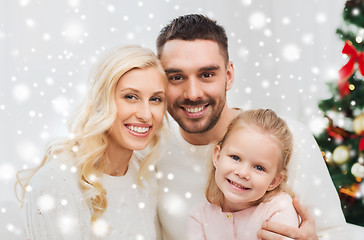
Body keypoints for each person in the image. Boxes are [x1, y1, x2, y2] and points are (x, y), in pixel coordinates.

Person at [155, 14, 347, 240]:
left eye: (207, 74)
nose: (194, 93)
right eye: (176, 77)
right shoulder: (151, 154)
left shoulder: (291, 139)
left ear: (228, 76)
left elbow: (338, 233)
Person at [15, 46, 168, 240]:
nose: (146, 114)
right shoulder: (56, 183)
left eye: (156, 99)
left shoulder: (145, 177)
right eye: (130, 97)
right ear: (101, 100)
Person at [188, 109, 299, 240]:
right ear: (217, 157)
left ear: (274, 181)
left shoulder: (279, 208)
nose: (242, 173)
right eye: (235, 158)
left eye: (259, 167)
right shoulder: (199, 217)